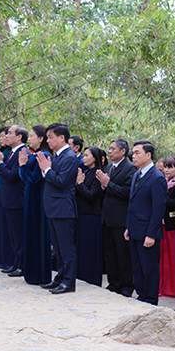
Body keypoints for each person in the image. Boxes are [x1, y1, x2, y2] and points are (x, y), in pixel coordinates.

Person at [37, 123, 80, 294]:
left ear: (62, 138)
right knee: (58, 248)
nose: (48, 140)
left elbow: (61, 181)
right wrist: (46, 169)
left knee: (66, 248)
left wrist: (47, 169)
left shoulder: (69, 157)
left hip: (63, 209)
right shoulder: (57, 156)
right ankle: (60, 278)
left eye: (50, 137)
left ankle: (69, 282)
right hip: (54, 208)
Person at [124, 141, 168, 305]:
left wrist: (151, 233)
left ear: (148, 155)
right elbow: (132, 203)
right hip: (135, 228)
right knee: (137, 266)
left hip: (148, 231)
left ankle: (150, 299)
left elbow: (158, 209)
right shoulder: (137, 174)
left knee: (149, 267)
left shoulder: (157, 177)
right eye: (133, 153)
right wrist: (128, 226)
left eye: (137, 153)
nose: (133, 156)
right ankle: (141, 295)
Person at [96, 138, 135, 297]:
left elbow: (128, 192)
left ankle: (126, 285)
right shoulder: (108, 167)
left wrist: (108, 184)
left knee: (123, 254)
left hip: (121, 218)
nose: (110, 151)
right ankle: (114, 282)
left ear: (123, 151)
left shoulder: (130, 169)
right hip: (107, 217)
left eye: (113, 149)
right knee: (110, 253)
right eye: (109, 149)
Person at [0, 125, 29, 277]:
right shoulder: (12, 152)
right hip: (8, 199)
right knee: (13, 235)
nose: (7, 135)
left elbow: (13, 176)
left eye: (10, 133)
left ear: (19, 137)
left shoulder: (22, 152)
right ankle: (16, 263)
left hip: (16, 200)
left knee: (18, 235)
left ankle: (22, 265)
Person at [17, 125, 53, 285]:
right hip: (30, 197)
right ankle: (31, 272)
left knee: (38, 235)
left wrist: (23, 165)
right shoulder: (34, 154)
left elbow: (35, 179)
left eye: (32, 136)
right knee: (30, 234)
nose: (29, 139)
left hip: (38, 200)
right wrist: (22, 165)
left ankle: (40, 274)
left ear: (41, 138)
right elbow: (24, 177)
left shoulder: (43, 155)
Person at [75, 146, 106, 286]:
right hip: (82, 214)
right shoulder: (87, 172)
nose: (84, 158)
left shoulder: (98, 174)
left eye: (87, 155)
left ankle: (91, 279)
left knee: (90, 250)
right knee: (81, 249)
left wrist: (80, 184)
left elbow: (92, 195)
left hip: (92, 216)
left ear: (95, 157)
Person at [159, 156, 175, 297]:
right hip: (162, 224)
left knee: (172, 258)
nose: (166, 170)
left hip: (173, 225)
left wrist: (162, 195)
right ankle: (162, 286)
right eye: (166, 167)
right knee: (163, 258)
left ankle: (172, 288)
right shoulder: (165, 182)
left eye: (170, 167)